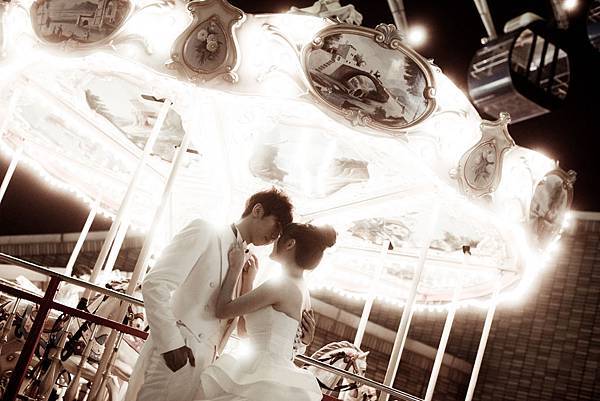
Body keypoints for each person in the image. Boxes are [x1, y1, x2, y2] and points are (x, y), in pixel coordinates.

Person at [127, 188, 314, 401]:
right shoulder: (205, 231)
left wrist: (299, 338)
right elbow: (155, 284)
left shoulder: (247, 264)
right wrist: (172, 344)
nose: (275, 237)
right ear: (258, 210)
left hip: (207, 364)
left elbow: (246, 329)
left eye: (280, 234)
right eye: (277, 225)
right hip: (177, 352)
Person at [195, 222, 337, 401]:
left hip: (261, 373)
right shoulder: (302, 290)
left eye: (279, 237)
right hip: (271, 377)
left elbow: (223, 310)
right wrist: (248, 281)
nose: (274, 240)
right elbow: (245, 331)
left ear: (290, 243)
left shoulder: (281, 285)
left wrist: (235, 269)